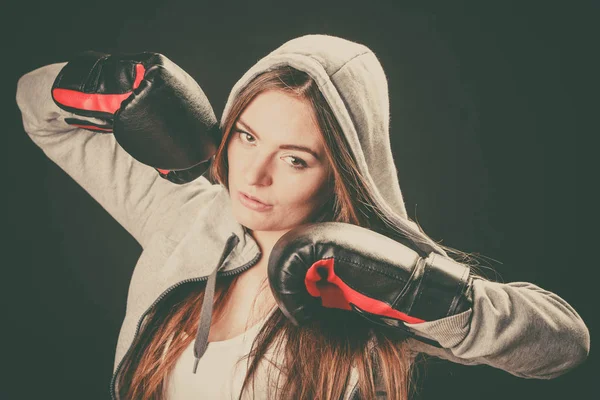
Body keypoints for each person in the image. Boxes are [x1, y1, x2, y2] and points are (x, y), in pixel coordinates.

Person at [16, 34, 589, 400]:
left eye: (294, 159)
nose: (253, 175)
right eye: (246, 136)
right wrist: (108, 86)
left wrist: (429, 296)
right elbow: (35, 105)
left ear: (338, 172)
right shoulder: (185, 212)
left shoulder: (362, 276)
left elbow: (564, 347)